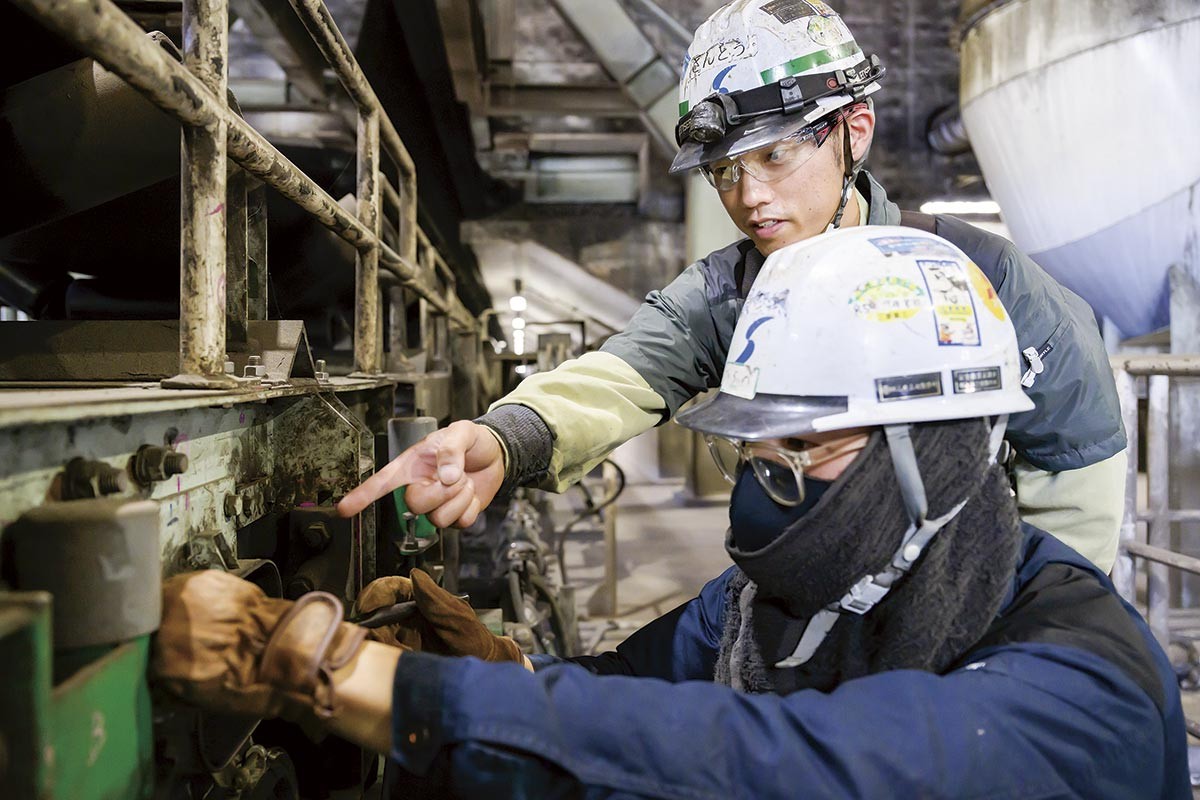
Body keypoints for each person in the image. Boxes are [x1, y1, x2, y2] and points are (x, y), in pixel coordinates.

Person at [154, 227, 1186, 799]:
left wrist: (370, 681)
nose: (767, 485)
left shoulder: (1082, 677)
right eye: (755, 450)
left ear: (948, 449)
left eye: (809, 447)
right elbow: (638, 692)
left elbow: (781, 765)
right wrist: (492, 669)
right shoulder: (777, 606)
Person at [337, 0, 1127, 573]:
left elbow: (1076, 470)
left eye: (777, 155)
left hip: (963, 603)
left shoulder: (980, 277)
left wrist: (1042, 644)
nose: (749, 199)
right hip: (815, 586)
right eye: (725, 172)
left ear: (854, 130)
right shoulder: (732, 291)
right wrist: (507, 440)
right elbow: (628, 370)